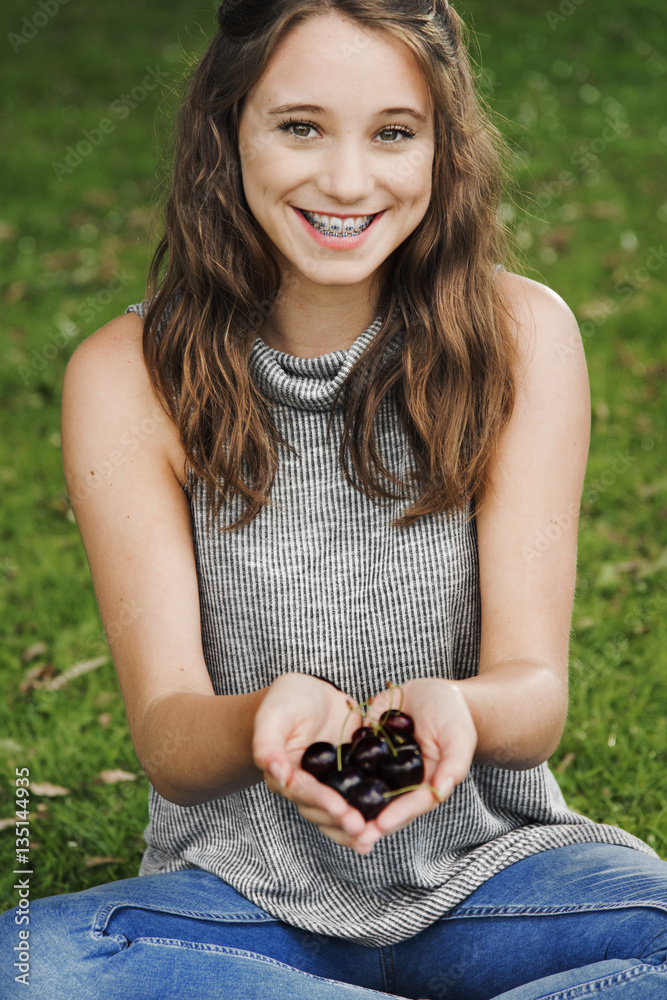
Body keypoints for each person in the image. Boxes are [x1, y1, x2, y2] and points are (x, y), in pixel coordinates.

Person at [1, 2, 666, 997]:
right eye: (299, 125)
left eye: (393, 133)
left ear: (442, 148)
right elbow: (172, 738)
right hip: (238, 901)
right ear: (226, 131)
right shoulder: (125, 375)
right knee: (29, 962)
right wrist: (264, 721)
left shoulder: (523, 335)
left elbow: (533, 693)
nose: (348, 181)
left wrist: (460, 709)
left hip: (497, 876)